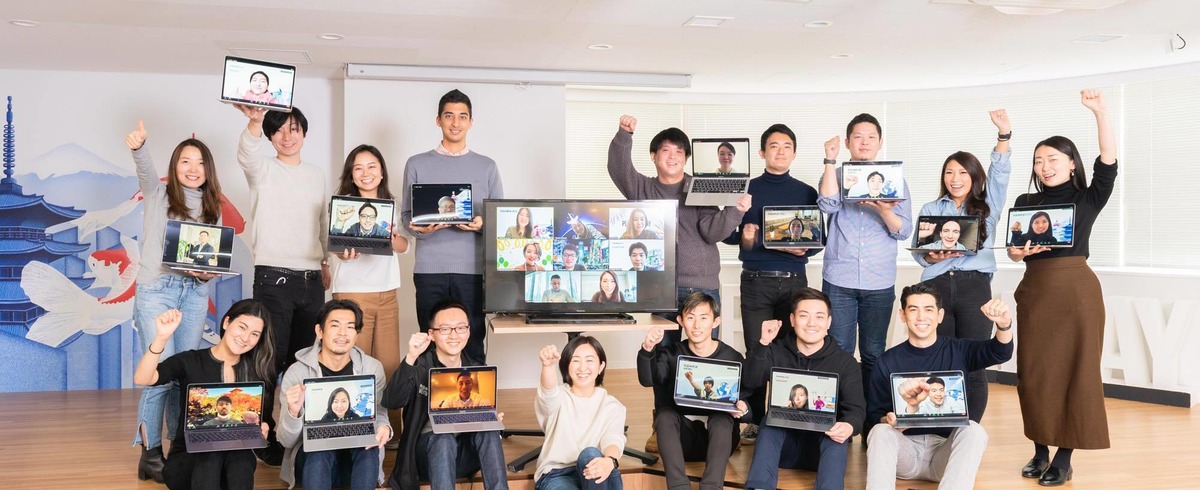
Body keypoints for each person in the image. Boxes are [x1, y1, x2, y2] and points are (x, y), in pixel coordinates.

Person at [1007, 89, 1117, 486]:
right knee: (1034, 374)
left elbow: (1108, 159)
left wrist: (1100, 112)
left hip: (1076, 295)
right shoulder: (1026, 200)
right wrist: (1017, 254)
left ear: (1072, 163)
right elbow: (1014, 250)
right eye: (1039, 160)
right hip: (1036, 293)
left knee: (1076, 373)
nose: (1045, 166)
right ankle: (1040, 451)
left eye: (1053, 158)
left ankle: (1064, 458)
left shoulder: (1088, 198)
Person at [125, 120, 224, 483]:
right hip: (158, 291)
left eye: (200, 163)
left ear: (208, 170)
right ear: (174, 166)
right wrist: (139, 147)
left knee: (186, 376)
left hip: (194, 295)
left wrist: (206, 275)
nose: (193, 169)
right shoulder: (158, 193)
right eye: (185, 161)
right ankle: (150, 454)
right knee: (160, 377)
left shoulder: (213, 208)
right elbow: (144, 169)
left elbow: (210, 263)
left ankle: (180, 448)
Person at [233, 102, 330, 465]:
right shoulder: (263, 168)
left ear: (304, 133)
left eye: (293, 129)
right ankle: (260, 434)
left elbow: (322, 222)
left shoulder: (316, 174)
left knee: (305, 362)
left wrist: (326, 260)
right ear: (270, 136)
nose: (287, 136)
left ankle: (300, 432)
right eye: (278, 130)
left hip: (311, 279)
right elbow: (246, 154)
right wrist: (254, 123)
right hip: (273, 278)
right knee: (267, 360)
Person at [911, 109, 1012, 424]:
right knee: (940, 360)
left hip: (973, 287)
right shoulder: (931, 208)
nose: (955, 179)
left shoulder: (988, 207)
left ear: (974, 177)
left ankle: (970, 432)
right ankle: (941, 427)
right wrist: (934, 257)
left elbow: (1000, 173)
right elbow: (920, 254)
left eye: (963, 173)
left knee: (973, 362)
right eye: (949, 173)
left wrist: (1003, 136)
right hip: (936, 287)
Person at [721, 124, 819, 444]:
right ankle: (754, 420)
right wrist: (744, 235)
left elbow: (818, 239)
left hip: (794, 283)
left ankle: (786, 418)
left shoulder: (807, 192)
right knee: (757, 351)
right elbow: (728, 234)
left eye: (787, 146)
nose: (780, 151)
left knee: (792, 351)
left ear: (794, 153)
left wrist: (806, 249)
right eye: (774, 146)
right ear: (762, 152)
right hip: (756, 281)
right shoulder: (745, 189)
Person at [864, 283, 1014, 490]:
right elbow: (874, 416)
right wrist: (888, 420)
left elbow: (1000, 352)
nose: (921, 317)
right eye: (913, 310)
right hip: (905, 453)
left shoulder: (959, 349)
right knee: (880, 431)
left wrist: (1004, 325)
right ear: (902, 315)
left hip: (945, 454)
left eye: (928, 309)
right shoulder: (887, 361)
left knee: (975, 431)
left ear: (940, 315)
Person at [608, 114, 749, 317]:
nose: (673, 156)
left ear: (686, 159)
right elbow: (618, 169)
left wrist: (736, 210)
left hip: (702, 287)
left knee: (702, 339)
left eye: (679, 152)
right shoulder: (643, 188)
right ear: (653, 156)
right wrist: (624, 134)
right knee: (663, 340)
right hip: (662, 287)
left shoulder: (699, 187)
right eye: (666, 150)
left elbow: (712, 233)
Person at [401, 89, 503, 363]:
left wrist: (481, 224)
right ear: (438, 120)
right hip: (428, 270)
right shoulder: (416, 163)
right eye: (449, 116)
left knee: (472, 341)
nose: (455, 123)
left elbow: (499, 219)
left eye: (462, 116)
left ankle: (475, 392)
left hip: (472, 272)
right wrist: (419, 228)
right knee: (430, 341)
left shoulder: (487, 167)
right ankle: (428, 393)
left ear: (471, 122)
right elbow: (406, 216)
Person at [818, 113, 913, 405]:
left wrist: (884, 210)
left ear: (880, 142)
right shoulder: (835, 176)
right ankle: (842, 413)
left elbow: (904, 231)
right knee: (839, 350)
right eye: (858, 137)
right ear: (848, 142)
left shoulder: (895, 181)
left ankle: (871, 415)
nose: (864, 142)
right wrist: (830, 160)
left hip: (879, 281)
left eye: (871, 137)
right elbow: (827, 205)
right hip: (839, 279)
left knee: (874, 352)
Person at [133, 300, 276, 490]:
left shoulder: (257, 370)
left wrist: (262, 428)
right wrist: (161, 337)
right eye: (242, 327)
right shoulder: (190, 360)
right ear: (226, 323)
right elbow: (143, 378)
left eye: (254, 334)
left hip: (232, 464)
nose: (245, 338)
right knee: (211, 453)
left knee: (242, 457)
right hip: (188, 463)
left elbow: (257, 422)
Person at [327, 144, 411, 444]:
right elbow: (333, 247)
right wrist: (343, 254)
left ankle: (392, 432)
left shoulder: (392, 205)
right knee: (353, 364)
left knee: (388, 366)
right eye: (358, 168)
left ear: (382, 171)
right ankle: (353, 429)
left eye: (372, 166)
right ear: (351, 174)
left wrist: (393, 239)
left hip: (387, 294)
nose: (366, 173)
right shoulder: (342, 207)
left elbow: (404, 247)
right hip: (352, 296)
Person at [742, 288, 864, 490]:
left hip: (822, 451)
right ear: (792, 319)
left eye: (819, 317)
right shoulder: (777, 351)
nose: (811, 323)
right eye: (804, 316)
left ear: (829, 322)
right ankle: (759, 486)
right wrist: (763, 343)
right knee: (770, 421)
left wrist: (849, 426)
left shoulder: (845, 362)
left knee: (836, 429)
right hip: (783, 449)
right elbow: (749, 381)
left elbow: (856, 409)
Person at [381, 299, 508, 490]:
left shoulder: (476, 368)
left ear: (468, 332)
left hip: (464, 455)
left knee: (490, 431)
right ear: (432, 334)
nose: (454, 335)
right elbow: (391, 401)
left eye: (460, 328)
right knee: (443, 437)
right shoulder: (419, 365)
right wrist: (411, 357)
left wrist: (490, 418)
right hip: (427, 455)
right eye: (445, 329)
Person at [637, 292, 749, 490]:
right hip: (681, 441)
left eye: (704, 318)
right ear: (680, 321)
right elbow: (648, 381)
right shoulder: (671, 353)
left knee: (722, 419)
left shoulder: (732, 358)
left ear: (716, 322)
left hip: (718, 441)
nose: (697, 325)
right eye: (690, 318)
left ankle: (711, 487)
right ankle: (678, 486)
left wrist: (742, 407)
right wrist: (648, 348)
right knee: (664, 416)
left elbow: (749, 404)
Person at [277, 299, 391, 490]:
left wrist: (384, 427)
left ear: (357, 334)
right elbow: (285, 441)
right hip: (313, 463)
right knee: (319, 446)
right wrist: (293, 412)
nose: (342, 333)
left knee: (368, 446)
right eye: (335, 325)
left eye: (350, 327)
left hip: (355, 463)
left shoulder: (372, 367)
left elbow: (379, 414)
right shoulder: (297, 373)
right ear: (319, 331)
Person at [535, 336, 627, 490]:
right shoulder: (559, 397)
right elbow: (548, 394)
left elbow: (613, 439)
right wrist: (547, 366)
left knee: (590, 454)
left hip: (597, 472)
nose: (582, 367)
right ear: (567, 366)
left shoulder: (613, 406)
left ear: (601, 367)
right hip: (558, 474)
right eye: (576, 360)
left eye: (589, 360)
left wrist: (610, 461)